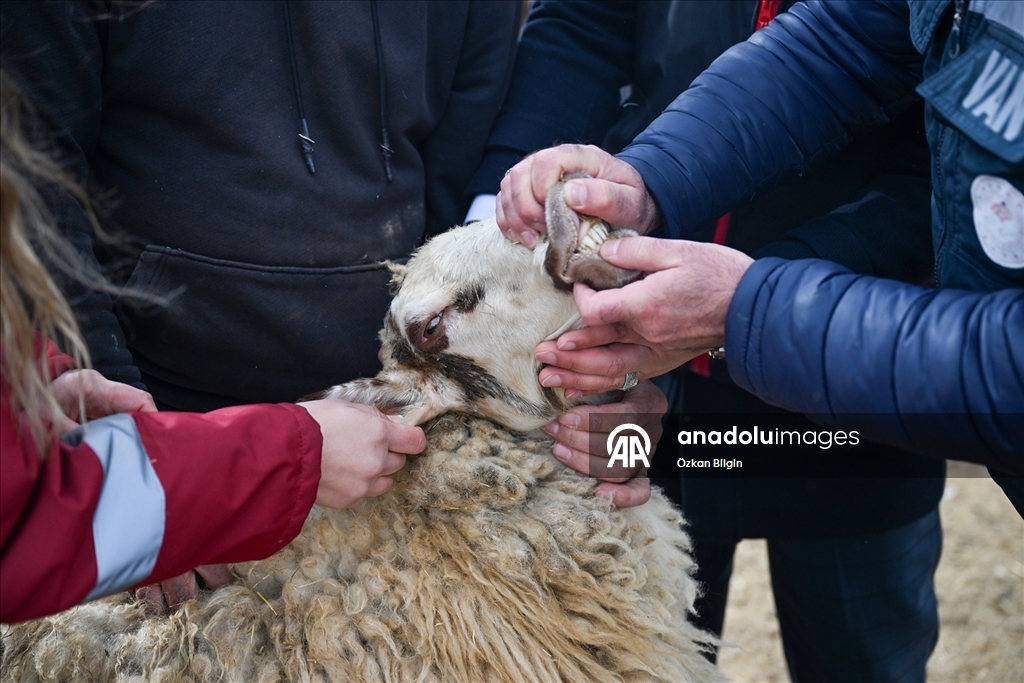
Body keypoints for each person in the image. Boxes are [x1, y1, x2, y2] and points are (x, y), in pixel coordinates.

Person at [469, 2, 948, 678]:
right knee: (637, 652)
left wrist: (766, 297)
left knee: (865, 649)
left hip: (858, 376)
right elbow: (582, 22)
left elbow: (930, 162)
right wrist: (520, 211)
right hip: (640, 385)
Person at [0, 0, 521, 604]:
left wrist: (416, 384)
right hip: (163, 422)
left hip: (382, 437)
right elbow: (33, 174)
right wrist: (141, 487)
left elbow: (456, 156)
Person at [496, 0, 1024, 523]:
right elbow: (838, 43)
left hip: (858, 403)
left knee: (859, 586)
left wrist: (746, 308)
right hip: (703, 379)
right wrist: (650, 180)